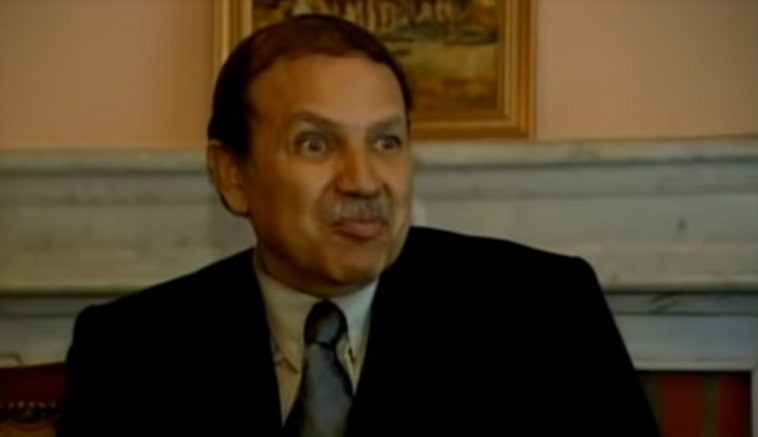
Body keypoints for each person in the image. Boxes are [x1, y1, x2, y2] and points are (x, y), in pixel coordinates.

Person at [57, 14, 660, 437]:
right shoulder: (129, 352)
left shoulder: (544, 313)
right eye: (316, 143)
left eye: (386, 141)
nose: (365, 181)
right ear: (232, 173)